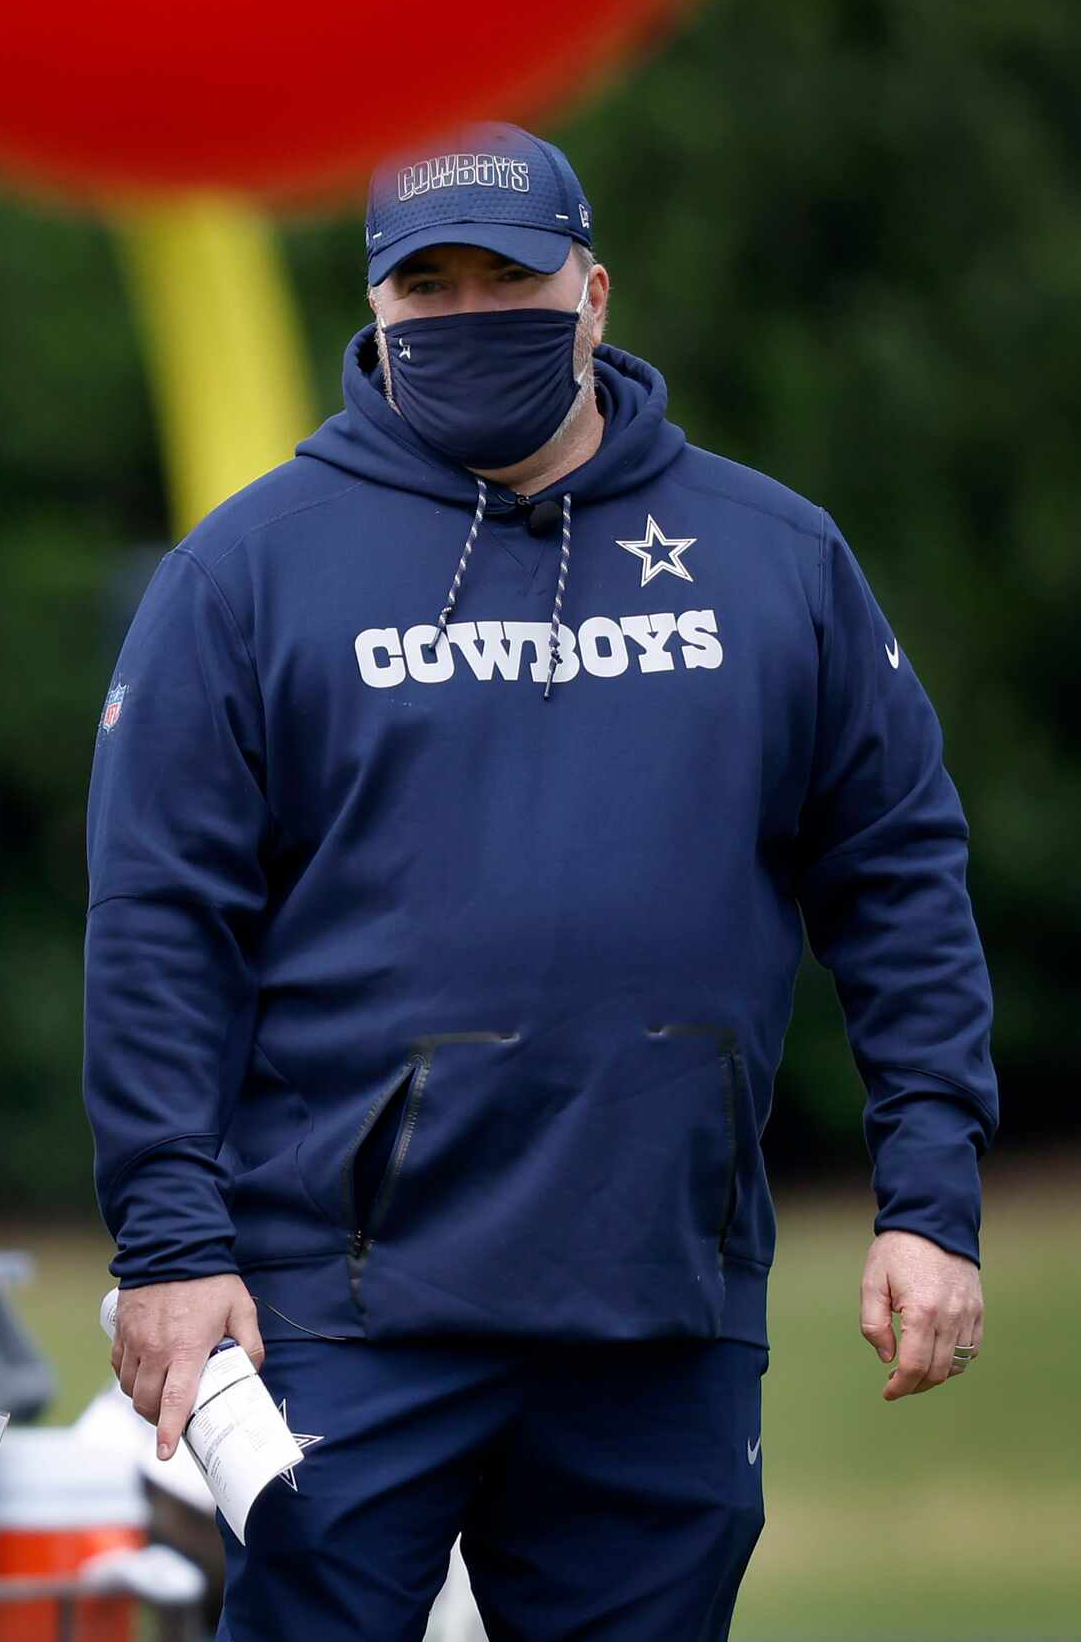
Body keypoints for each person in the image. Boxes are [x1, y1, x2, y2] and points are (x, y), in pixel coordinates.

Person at [83, 122, 998, 1641]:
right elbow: (158, 928)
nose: (460, 314)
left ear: (591, 292)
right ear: (371, 309)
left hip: (657, 1292)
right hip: (342, 1305)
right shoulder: (247, 571)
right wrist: (171, 1245)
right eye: (420, 286)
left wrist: (932, 1196)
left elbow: (896, 870)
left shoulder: (771, 558)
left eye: (501, 276)